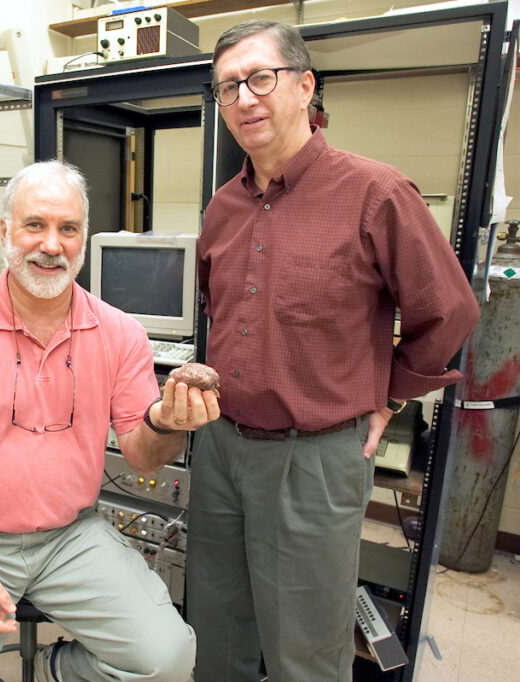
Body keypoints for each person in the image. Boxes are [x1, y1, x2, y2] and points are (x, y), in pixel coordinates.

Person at [187, 19, 480, 682]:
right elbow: (221, 314)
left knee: (306, 652)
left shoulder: (375, 193)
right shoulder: (223, 208)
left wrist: (390, 390)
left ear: (304, 87)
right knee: (216, 630)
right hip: (221, 449)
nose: (245, 98)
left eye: (261, 78)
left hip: (312, 459)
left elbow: (451, 311)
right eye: (228, 87)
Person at [0, 160, 219, 682]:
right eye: (35, 225)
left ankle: (50, 672)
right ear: (5, 232)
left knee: (169, 658)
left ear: (82, 240)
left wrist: (168, 422)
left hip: (71, 537)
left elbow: (141, 452)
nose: (51, 244)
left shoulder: (120, 334)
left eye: (68, 229)